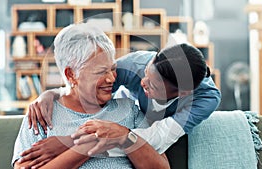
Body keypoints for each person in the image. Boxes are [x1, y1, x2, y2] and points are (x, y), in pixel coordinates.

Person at [24, 32, 221, 168]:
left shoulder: (205, 99)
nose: (143, 84)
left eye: (153, 87)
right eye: (146, 74)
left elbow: (157, 139)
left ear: (182, 93)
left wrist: (72, 143)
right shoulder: (134, 64)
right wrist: (51, 94)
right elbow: (87, 86)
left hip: (147, 132)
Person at [12, 23, 170, 169]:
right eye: (101, 72)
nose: (112, 78)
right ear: (71, 75)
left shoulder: (129, 109)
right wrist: (88, 146)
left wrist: (124, 136)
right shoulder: (42, 114)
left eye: (113, 68)